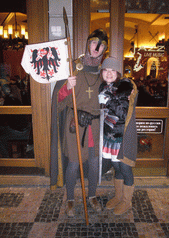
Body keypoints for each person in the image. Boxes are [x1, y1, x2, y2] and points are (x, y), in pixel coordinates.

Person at [50, 29, 108, 217]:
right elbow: (59, 100)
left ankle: (91, 196)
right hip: (75, 125)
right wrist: (67, 87)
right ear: (87, 44)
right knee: (74, 164)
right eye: (94, 43)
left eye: (101, 46)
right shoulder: (74, 68)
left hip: (95, 126)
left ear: (104, 50)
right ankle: (70, 200)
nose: (96, 48)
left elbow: (117, 89)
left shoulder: (104, 73)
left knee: (93, 163)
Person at [98, 57, 138, 215]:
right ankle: (118, 196)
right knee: (116, 167)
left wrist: (108, 102)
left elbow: (122, 112)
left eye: (112, 70)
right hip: (110, 136)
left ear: (118, 73)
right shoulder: (103, 87)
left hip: (123, 136)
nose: (108, 73)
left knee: (125, 168)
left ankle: (127, 201)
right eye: (106, 70)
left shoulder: (125, 87)